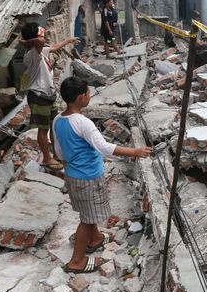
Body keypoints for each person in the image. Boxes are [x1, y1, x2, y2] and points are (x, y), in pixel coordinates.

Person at [53, 76, 151, 273]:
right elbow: (104, 148)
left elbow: (59, 152)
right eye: (88, 93)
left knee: (89, 212)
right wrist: (135, 151)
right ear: (81, 97)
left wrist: (71, 166)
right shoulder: (83, 123)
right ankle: (76, 261)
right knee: (87, 219)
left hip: (73, 175)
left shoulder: (57, 120)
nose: (90, 96)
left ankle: (95, 239)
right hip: (88, 177)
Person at [20, 22, 79, 171]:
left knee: (53, 126)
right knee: (43, 129)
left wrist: (69, 40)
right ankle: (47, 158)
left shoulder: (41, 51)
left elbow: (54, 47)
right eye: (41, 33)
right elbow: (40, 42)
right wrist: (27, 41)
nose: (44, 36)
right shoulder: (32, 54)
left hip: (48, 95)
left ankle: (56, 155)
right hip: (38, 95)